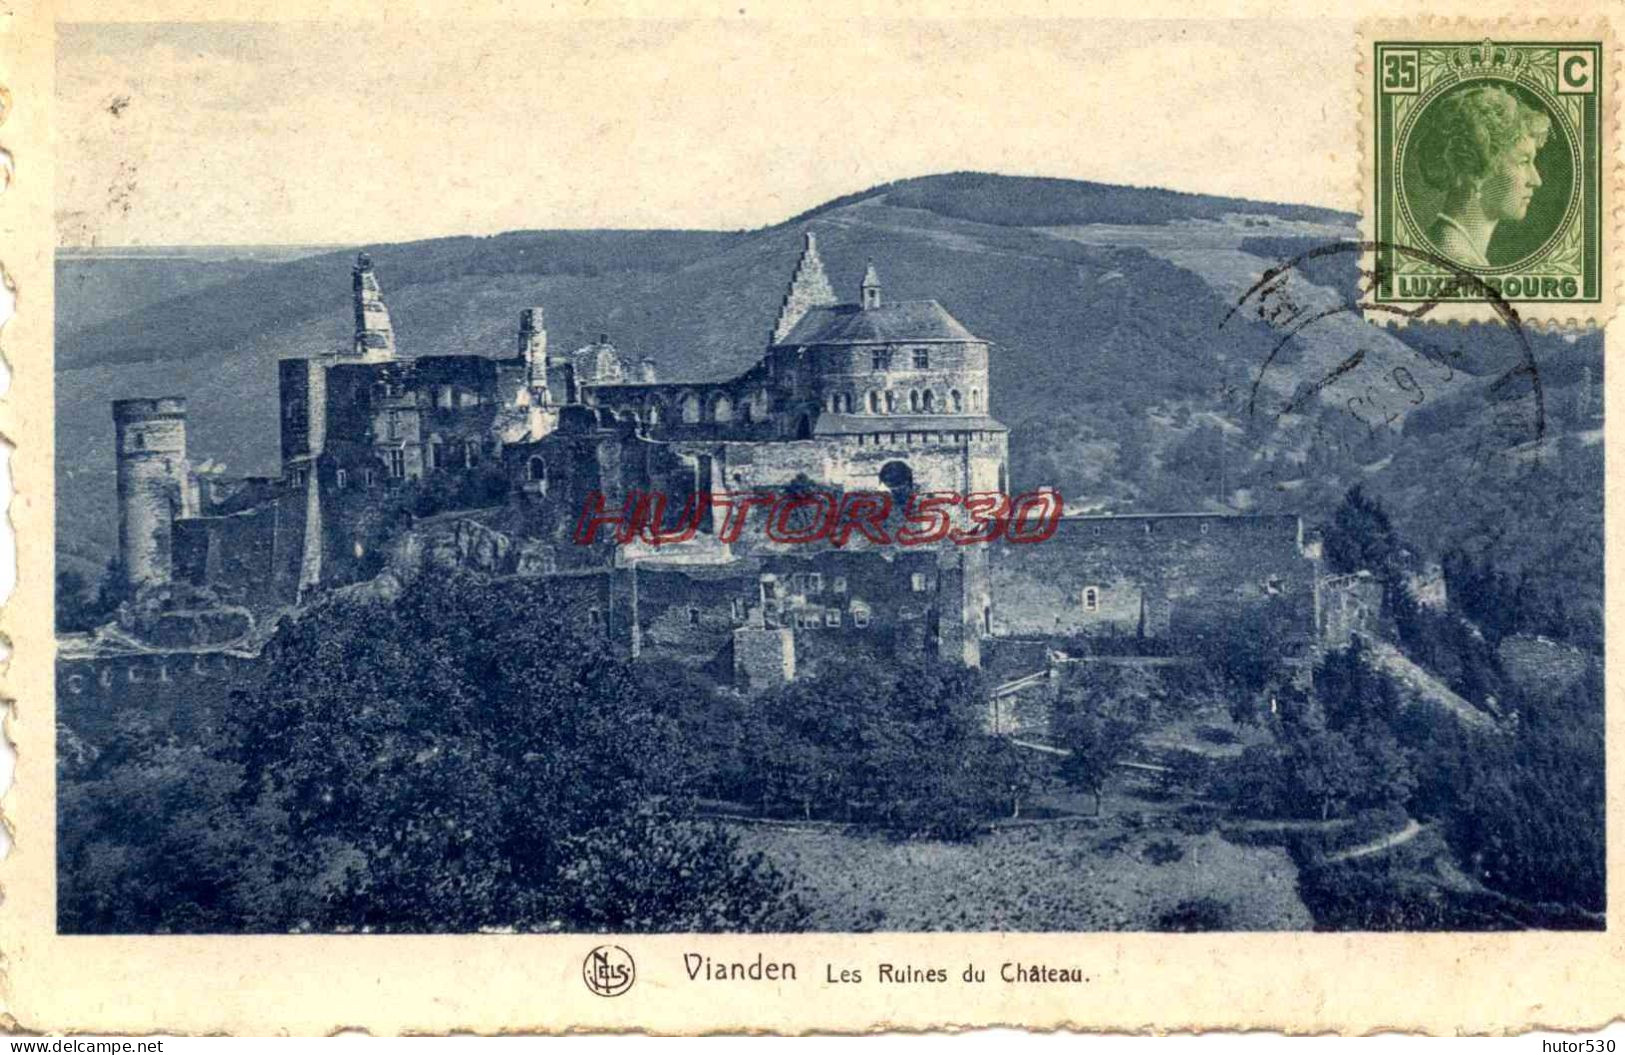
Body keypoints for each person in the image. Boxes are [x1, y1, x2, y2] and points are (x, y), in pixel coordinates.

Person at [1412, 84, 1551, 269]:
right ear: (1475, 171)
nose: (1536, 181)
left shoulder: (1460, 252)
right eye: (1523, 162)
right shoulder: (1456, 259)